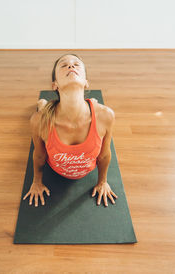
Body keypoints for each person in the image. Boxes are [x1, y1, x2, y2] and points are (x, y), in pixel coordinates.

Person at [23, 54, 118, 207]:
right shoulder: (38, 120)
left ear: (86, 82)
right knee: (42, 112)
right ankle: (43, 105)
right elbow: (39, 155)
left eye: (76, 64)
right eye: (63, 65)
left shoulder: (106, 115)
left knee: (95, 111)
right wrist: (36, 182)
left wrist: (103, 182)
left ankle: (88, 104)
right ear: (55, 84)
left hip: (94, 114)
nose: (71, 66)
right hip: (50, 129)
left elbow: (105, 155)